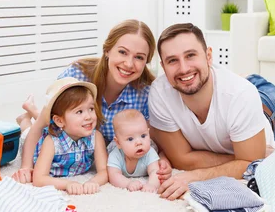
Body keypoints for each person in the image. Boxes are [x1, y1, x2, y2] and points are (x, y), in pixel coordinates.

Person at [149, 23, 275, 200]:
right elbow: (181, 159)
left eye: (190, 55)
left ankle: (257, 83)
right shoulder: (160, 92)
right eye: (172, 60)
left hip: (269, 112)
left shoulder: (241, 94)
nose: (183, 69)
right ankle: (253, 81)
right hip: (238, 97)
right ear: (163, 66)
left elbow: (249, 165)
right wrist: (241, 160)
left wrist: (195, 175)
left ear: (208, 56)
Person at [13, 20, 172, 183]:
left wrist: (162, 158)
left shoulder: (145, 94)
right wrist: (26, 167)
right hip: (63, 134)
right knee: (43, 126)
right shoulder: (77, 77)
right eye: (123, 52)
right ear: (107, 50)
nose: (129, 63)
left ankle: (31, 110)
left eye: (139, 57)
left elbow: (152, 138)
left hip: (90, 149)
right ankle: (26, 118)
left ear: (146, 62)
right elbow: (43, 125)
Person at [32, 77, 108, 195]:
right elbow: (38, 178)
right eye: (79, 112)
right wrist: (67, 184)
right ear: (60, 121)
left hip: (58, 125)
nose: (88, 116)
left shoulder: (96, 136)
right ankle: (26, 118)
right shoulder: (51, 141)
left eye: (91, 109)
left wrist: (93, 182)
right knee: (26, 130)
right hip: (36, 141)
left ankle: (32, 112)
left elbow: (104, 171)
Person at [107, 109, 160, 193]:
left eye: (143, 136)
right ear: (118, 142)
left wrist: (152, 184)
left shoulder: (150, 152)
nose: (139, 142)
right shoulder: (115, 155)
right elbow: (113, 175)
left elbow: (155, 171)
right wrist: (128, 183)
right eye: (130, 139)